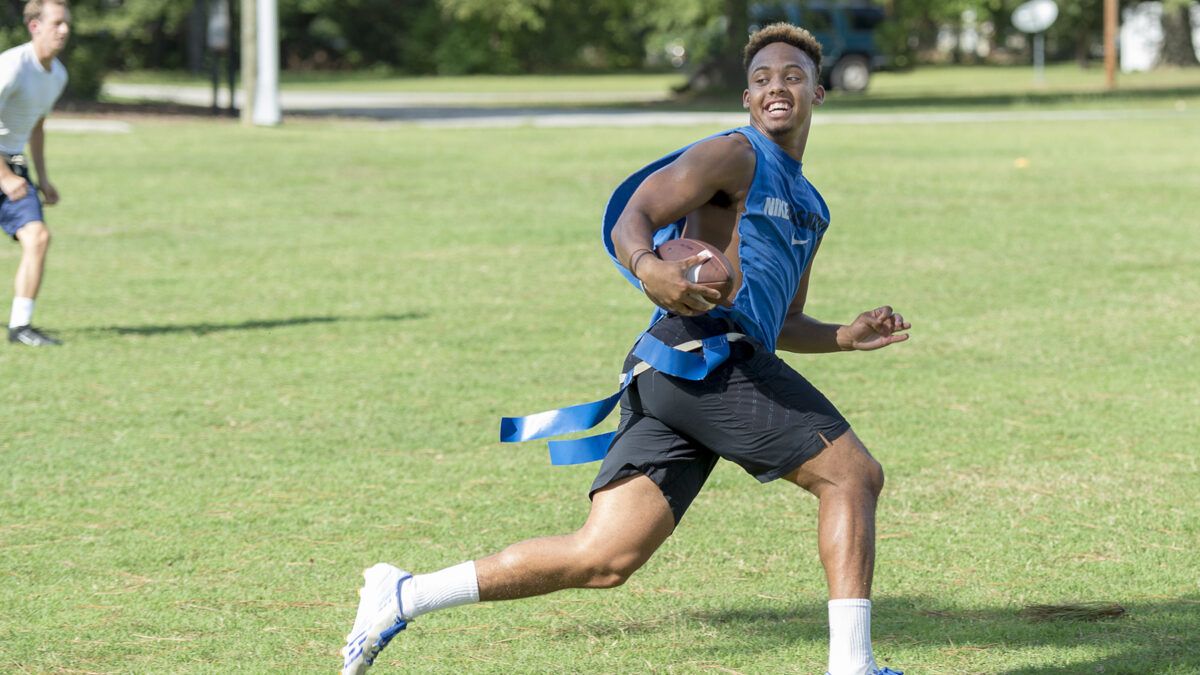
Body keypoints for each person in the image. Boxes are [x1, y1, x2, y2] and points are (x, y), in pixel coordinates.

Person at [341, 23, 909, 675]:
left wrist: (846, 336)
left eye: (792, 75)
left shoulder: (812, 206)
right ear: (747, 100)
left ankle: (404, 593)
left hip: (694, 362)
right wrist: (648, 265)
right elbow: (633, 213)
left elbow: (781, 320)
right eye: (761, 79)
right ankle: (852, 666)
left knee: (604, 556)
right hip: (700, 351)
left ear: (820, 91)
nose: (776, 86)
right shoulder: (734, 154)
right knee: (853, 474)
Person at [1, 0, 70, 346]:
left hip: (12, 163)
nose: (65, 30)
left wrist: (42, 177)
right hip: (3, 168)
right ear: (34, 26)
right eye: (57, 23)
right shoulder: (12, 66)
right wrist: (4, 176)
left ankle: (20, 327)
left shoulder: (57, 75)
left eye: (66, 23)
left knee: (38, 237)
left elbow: (36, 125)